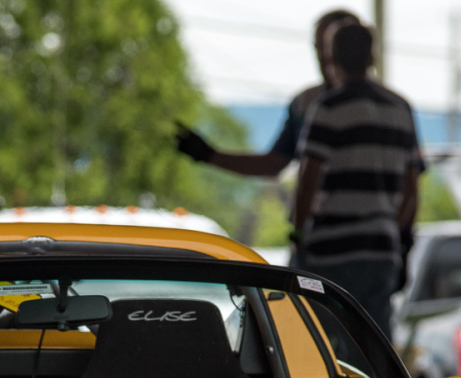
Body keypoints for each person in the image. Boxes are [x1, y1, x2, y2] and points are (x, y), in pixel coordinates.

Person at [291, 21, 422, 340]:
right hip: (381, 250)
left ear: (331, 59)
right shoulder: (399, 109)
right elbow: (412, 191)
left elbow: (308, 180)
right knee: (374, 346)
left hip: (332, 251)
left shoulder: (328, 108)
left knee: (328, 347)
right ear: (371, 57)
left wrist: (298, 232)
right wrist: (394, 230)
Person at [174, 9, 360, 180]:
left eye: (329, 48)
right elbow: (275, 162)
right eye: (318, 48)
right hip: (321, 216)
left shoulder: (384, 106)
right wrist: (209, 155)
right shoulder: (305, 103)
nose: (323, 57)